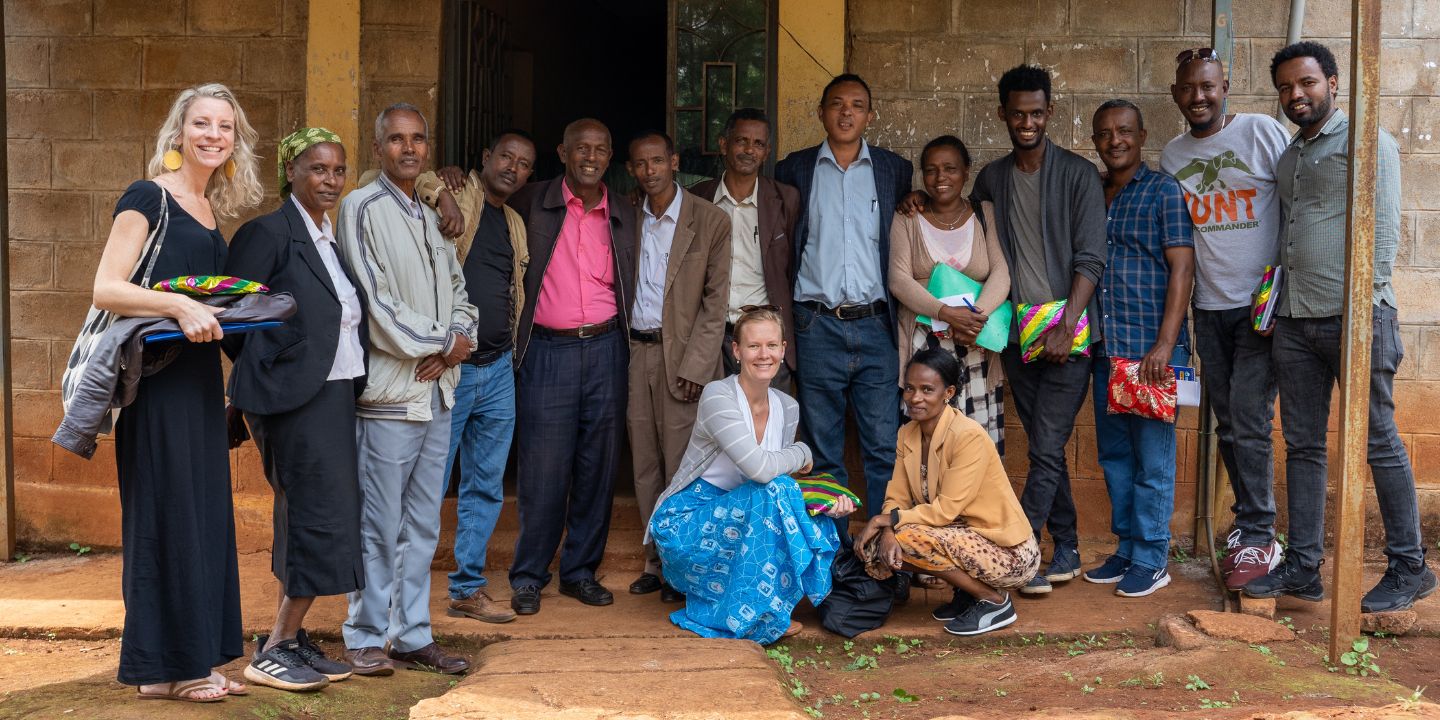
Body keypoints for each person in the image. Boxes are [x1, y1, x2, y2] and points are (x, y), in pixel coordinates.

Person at [1244, 41, 1437, 612]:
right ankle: (1304, 568)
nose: (1295, 95)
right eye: (1284, 87)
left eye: (1305, 83)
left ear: (1332, 82)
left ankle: (1410, 566)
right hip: (1296, 322)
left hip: (1358, 319)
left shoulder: (1368, 142)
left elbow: (1380, 237)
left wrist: (1360, 313)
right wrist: (1277, 309)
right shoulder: (1289, 155)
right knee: (1303, 445)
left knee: (1377, 439)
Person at [90, 83, 262, 702]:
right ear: (178, 131)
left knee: (203, 516)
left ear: (235, 140)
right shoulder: (147, 197)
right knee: (166, 516)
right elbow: (106, 287)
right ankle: (165, 667)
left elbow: (207, 309)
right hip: (156, 384)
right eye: (201, 123)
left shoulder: (211, 209)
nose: (213, 135)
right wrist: (178, 302)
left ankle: (190, 661)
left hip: (196, 384)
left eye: (225, 126)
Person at [222, 128, 366, 691]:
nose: (329, 180)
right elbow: (234, 314)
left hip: (331, 392)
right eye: (317, 169)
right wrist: (272, 371)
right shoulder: (269, 232)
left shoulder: (327, 237)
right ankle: (276, 646)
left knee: (313, 513)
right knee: (315, 514)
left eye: (337, 170)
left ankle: (289, 640)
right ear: (291, 173)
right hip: (295, 397)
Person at [336, 103, 477, 676]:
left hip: (437, 393)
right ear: (378, 149)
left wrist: (460, 338)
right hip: (391, 396)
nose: (409, 148)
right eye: (396, 139)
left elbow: (461, 292)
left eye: (418, 139)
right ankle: (365, 635)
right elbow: (375, 305)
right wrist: (442, 344)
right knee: (378, 522)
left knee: (422, 523)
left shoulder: (425, 213)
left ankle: (412, 633)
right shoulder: (360, 208)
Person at [968, 64, 1106, 595]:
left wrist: (1067, 325)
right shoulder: (991, 179)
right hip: (1016, 335)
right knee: (1047, 444)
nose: (1027, 122)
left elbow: (1091, 259)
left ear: (1049, 113)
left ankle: (1018, 553)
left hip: (1067, 336)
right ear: (1003, 114)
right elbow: (966, 228)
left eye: (1037, 113)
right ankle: (1067, 546)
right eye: (1018, 113)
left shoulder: (1077, 175)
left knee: (1046, 446)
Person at [1161, 49, 1291, 590]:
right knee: (1231, 422)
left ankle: (1260, 533)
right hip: (1208, 308)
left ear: (1226, 86)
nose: (1199, 97)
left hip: (1260, 305)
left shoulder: (1263, 132)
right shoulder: (1172, 156)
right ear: (1176, 95)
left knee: (1249, 416)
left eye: (1208, 87)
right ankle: (1253, 526)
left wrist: (1286, 287)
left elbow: (1299, 201)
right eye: (1189, 89)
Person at [647, 307, 852, 643]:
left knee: (789, 497)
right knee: (774, 488)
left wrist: (824, 505)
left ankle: (765, 604)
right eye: (753, 346)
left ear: (784, 350)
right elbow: (760, 470)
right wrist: (804, 452)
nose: (764, 354)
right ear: (737, 351)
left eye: (772, 345)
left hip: (742, 514)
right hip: (688, 523)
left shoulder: (788, 406)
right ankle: (757, 615)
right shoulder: (718, 396)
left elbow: (777, 482)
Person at [506, 118, 637, 615]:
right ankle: (528, 575)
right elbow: (483, 196)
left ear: (609, 157)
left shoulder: (623, 211)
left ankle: (580, 571)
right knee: (542, 466)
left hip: (607, 349)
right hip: (547, 350)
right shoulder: (530, 201)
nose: (590, 156)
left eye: (600, 149)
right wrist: (447, 179)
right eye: (581, 147)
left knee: (597, 466)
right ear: (561, 152)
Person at [774, 73, 912, 518]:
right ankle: (833, 562)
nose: (846, 112)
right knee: (823, 451)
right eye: (836, 103)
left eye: (857, 104)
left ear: (870, 115)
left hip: (877, 325)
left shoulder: (894, 169)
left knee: (882, 448)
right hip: (816, 324)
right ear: (821, 112)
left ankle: (882, 556)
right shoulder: (794, 169)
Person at [1081, 100, 1196, 598]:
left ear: (1142, 135)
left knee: (1152, 458)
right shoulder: (1094, 194)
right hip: (1107, 349)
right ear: (1095, 141)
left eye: (1124, 131)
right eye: (1105, 134)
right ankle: (1127, 548)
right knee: (1115, 456)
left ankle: (1152, 558)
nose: (1115, 141)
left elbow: (1182, 270)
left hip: (1150, 352)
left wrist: (1165, 345)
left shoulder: (1163, 191)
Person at [422, 131, 537, 626]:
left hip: (498, 370)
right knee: (429, 482)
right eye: (506, 156)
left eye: (524, 164)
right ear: (485, 157)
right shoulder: (456, 193)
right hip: (452, 370)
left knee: (486, 485)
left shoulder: (514, 222)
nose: (513, 167)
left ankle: (467, 590)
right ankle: (395, 595)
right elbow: (402, 178)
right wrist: (441, 189)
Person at [856, 348, 1039, 637]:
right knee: (881, 541)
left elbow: (945, 511)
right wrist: (887, 528)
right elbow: (897, 496)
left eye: (927, 390)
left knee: (907, 539)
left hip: (1010, 553)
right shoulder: (908, 433)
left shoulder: (967, 435)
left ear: (948, 392)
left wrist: (884, 521)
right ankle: (968, 594)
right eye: (910, 389)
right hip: (962, 537)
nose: (916, 398)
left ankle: (994, 601)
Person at [625, 131, 732, 602]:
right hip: (635, 353)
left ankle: (683, 565)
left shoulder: (710, 221)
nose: (650, 171)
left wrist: (699, 364)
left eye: (657, 161)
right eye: (640, 164)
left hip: (685, 357)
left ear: (674, 161)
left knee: (684, 466)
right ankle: (655, 561)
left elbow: (716, 302)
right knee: (645, 463)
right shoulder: (626, 218)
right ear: (632, 169)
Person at [889, 135, 1009, 452]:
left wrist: (973, 320)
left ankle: (972, 503)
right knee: (926, 440)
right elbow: (898, 279)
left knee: (975, 442)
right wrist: (945, 313)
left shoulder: (985, 213)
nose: (941, 178)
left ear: (967, 171)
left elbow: (1002, 272)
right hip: (924, 344)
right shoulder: (907, 218)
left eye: (950, 168)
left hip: (975, 345)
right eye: (931, 170)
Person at [689, 108, 801, 388]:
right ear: (724, 144)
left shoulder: (785, 199)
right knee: (717, 426)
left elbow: (795, 268)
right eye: (741, 141)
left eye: (758, 144)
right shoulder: (697, 200)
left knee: (770, 427)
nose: (749, 150)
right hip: (712, 340)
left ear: (766, 152)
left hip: (765, 339)